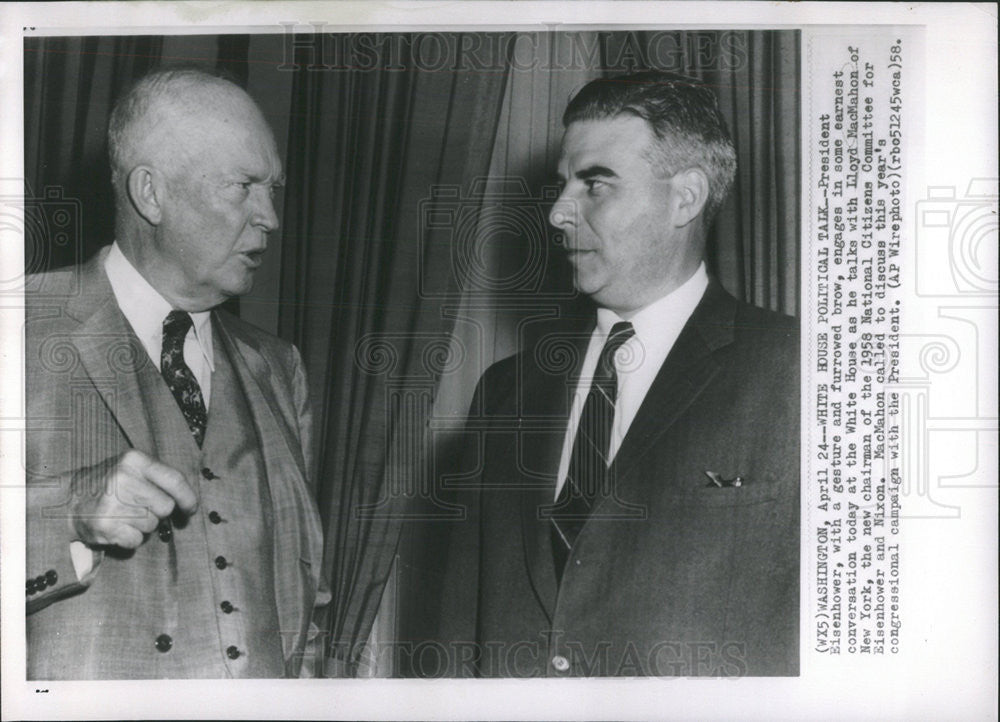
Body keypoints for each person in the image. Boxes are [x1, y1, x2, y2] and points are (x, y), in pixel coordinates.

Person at [443, 71, 799, 677]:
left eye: (595, 185)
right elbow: (459, 632)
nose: (558, 213)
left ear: (685, 197)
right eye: (562, 186)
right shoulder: (506, 392)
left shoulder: (801, 372)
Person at [24, 67, 329, 679]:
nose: (270, 217)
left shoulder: (278, 367)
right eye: (242, 186)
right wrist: (66, 517)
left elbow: (306, 598)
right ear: (151, 194)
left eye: (273, 189)